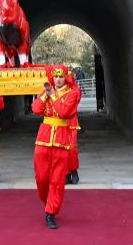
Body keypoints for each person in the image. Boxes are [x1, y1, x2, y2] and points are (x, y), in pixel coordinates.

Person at [31, 64, 81, 230]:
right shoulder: (47, 91)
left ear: (65, 77)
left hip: (61, 138)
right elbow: (36, 109)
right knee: (41, 177)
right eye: (55, 76)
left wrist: (52, 96)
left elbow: (64, 112)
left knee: (57, 179)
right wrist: (45, 96)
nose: (58, 80)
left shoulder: (72, 93)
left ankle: (50, 212)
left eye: (61, 77)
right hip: (44, 137)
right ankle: (48, 202)